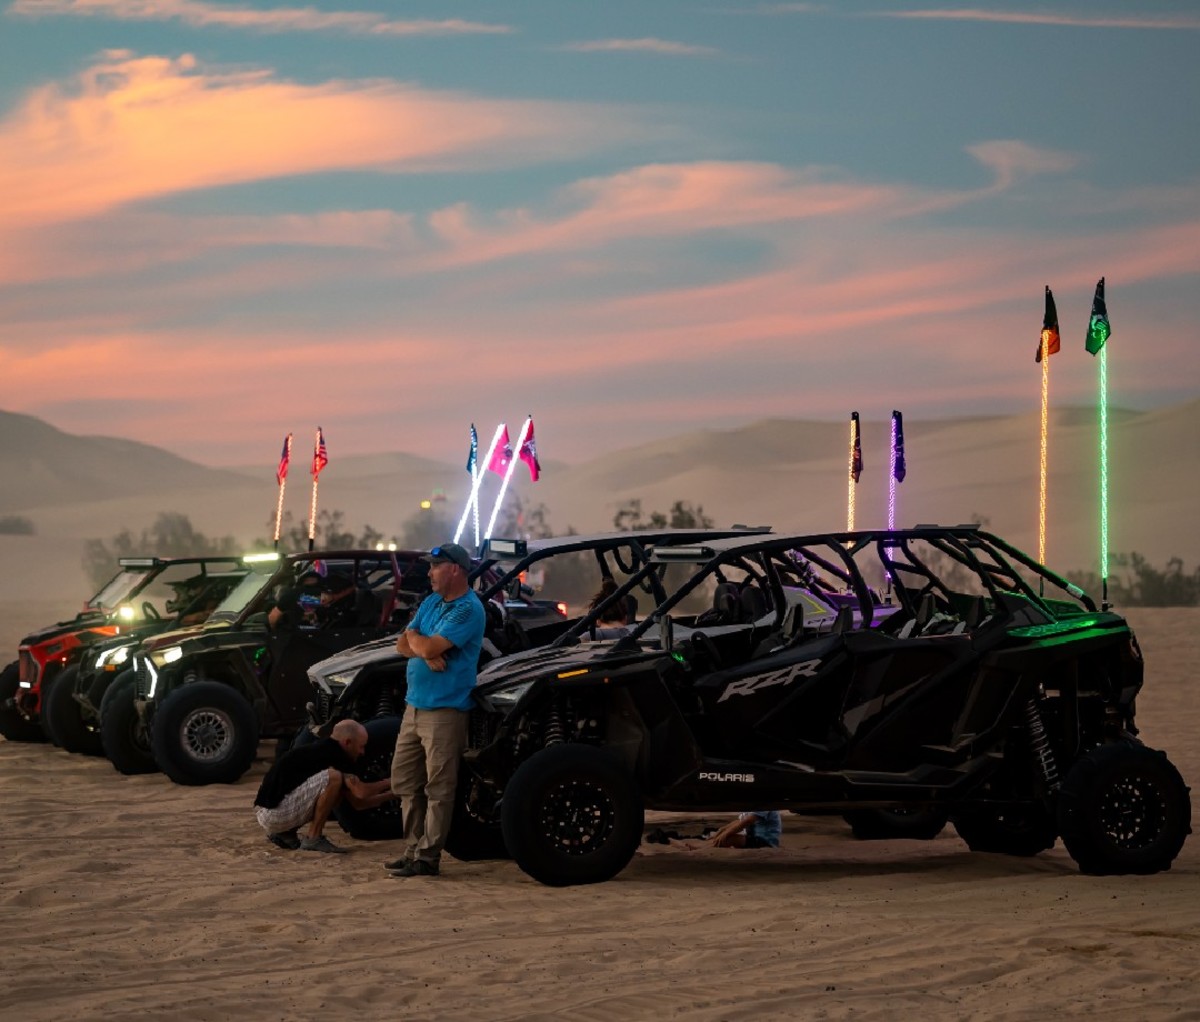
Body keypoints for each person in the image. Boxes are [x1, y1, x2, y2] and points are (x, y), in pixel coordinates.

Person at [386, 542, 486, 878]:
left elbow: (416, 641)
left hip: (445, 711)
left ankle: (427, 858)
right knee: (405, 783)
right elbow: (402, 644)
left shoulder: (468, 609)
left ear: (455, 570)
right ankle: (413, 849)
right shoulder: (431, 602)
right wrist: (424, 650)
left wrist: (420, 642)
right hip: (414, 707)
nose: (429, 573)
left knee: (439, 788)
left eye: (436, 566)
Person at [253, 718, 392, 853]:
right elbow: (361, 792)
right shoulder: (336, 754)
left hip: (270, 813)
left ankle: (286, 833)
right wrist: (393, 781)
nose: (363, 752)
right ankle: (313, 838)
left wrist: (394, 794)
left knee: (336, 792)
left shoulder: (325, 750)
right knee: (334, 777)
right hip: (272, 814)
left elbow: (358, 803)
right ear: (347, 742)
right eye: (361, 746)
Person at [709, 810, 783, 849]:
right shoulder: (749, 806)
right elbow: (739, 821)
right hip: (751, 837)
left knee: (728, 839)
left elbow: (748, 821)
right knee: (721, 835)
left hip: (765, 842)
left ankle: (707, 847)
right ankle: (708, 845)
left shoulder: (764, 803)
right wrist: (723, 829)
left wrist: (726, 833)